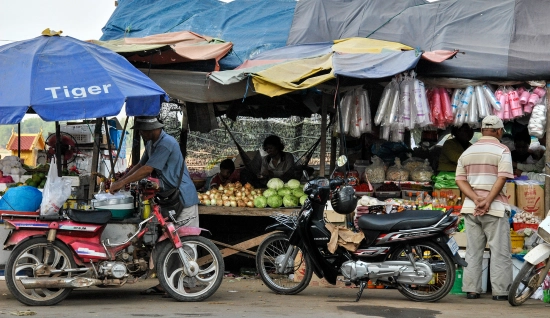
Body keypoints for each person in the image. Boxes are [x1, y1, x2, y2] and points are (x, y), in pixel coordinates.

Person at [109, 116, 199, 296]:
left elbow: (147, 169)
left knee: (186, 243)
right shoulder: (152, 144)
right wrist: (122, 179)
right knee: (167, 242)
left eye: (142, 131)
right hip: (170, 199)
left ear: (150, 130)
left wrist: (120, 184)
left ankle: (188, 283)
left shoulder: (166, 143)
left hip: (183, 197)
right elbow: (140, 165)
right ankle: (166, 282)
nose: (140, 134)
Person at [455, 115, 513, 301]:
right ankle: (500, 291)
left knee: (473, 250)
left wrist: (475, 198)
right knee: (500, 250)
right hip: (494, 208)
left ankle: (472, 290)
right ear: (498, 131)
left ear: (481, 131)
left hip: (472, 208)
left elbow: (460, 180)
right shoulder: (502, 150)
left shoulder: (467, 152)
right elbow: (502, 177)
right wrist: (487, 200)